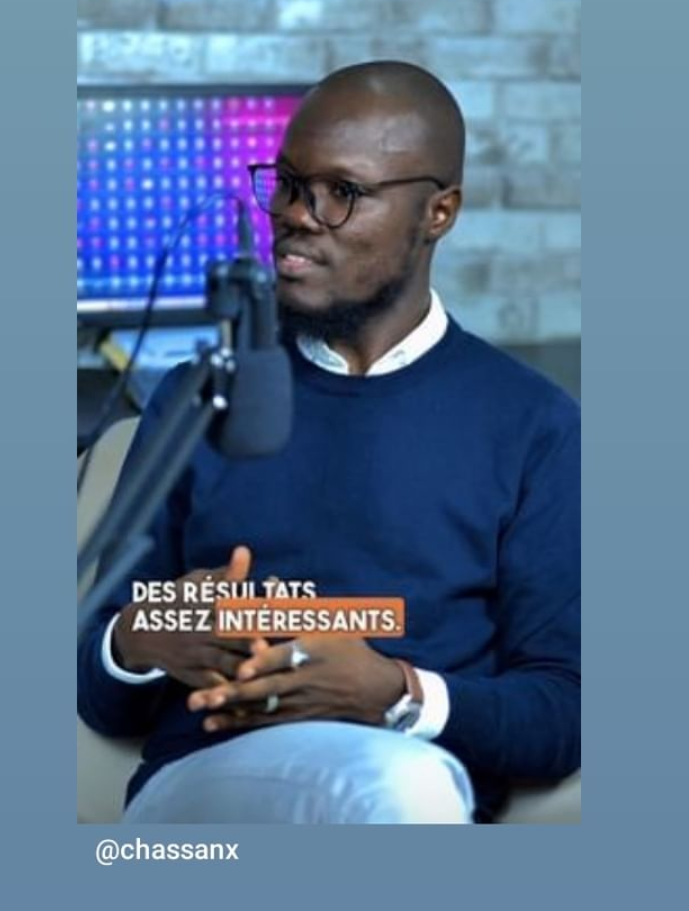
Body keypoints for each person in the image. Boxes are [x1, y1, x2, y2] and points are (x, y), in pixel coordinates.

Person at [77, 61, 580, 825]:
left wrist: (396, 695)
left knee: (404, 788)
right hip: (207, 782)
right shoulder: (199, 396)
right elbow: (100, 689)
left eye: (341, 192)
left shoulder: (534, 425)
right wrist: (141, 639)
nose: (295, 215)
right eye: (287, 183)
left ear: (438, 212)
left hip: (417, 790)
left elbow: (564, 709)